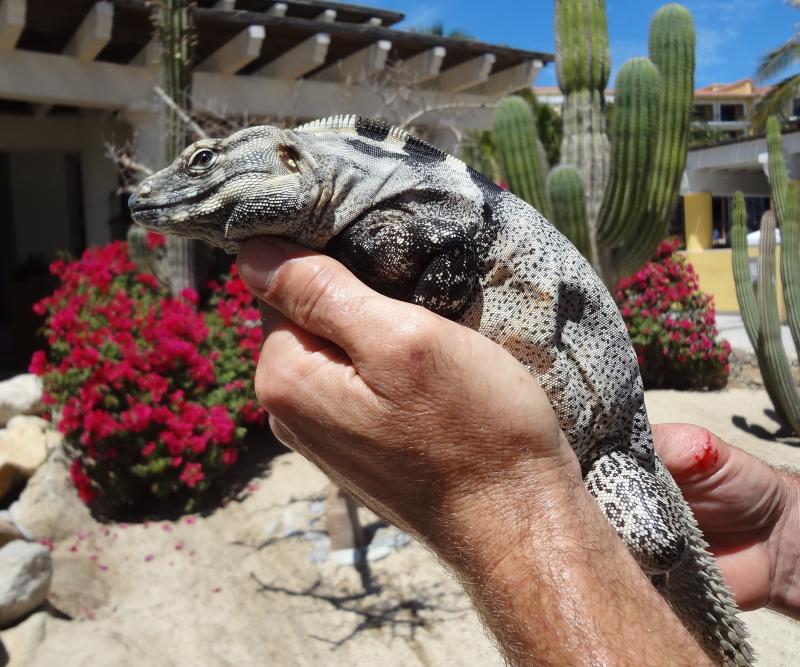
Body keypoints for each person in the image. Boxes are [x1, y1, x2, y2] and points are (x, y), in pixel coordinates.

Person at [237, 237, 800, 666]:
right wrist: (779, 528)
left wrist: (500, 500)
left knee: (653, 540)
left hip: (610, 457)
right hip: (635, 464)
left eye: (205, 164)